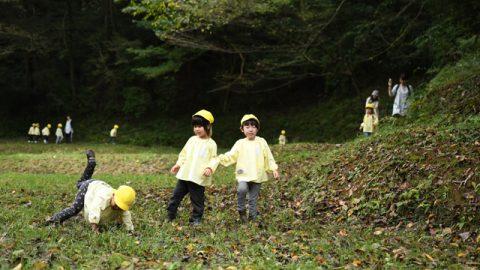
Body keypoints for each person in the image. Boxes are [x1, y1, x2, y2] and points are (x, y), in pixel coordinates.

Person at [45, 150, 136, 232]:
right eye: (116, 205)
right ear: (113, 195)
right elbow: (95, 208)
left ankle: (91, 162)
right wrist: (94, 226)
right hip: (89, 186)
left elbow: (126, 217)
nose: (117, 208)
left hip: (99, 185)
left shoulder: (122, 206)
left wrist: (130, 230)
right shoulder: (103, 197)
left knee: (80, 182)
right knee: (75, 208)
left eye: (120, 207)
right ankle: (54, 220)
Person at [215, 114, 280, 223]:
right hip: (243, 174)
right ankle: (241, 209)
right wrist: (219, 158)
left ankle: (252, 219)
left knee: (253, 199)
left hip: (257, 175)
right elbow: (231, 155)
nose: (250, 129)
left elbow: (268, 157)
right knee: (242, 189)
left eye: (253, 126)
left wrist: (274, 169)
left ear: (257, 129)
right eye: (247, 127)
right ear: (242, 129)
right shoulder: (240, 143)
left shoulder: (261, 142)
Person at [167, 110, 218, 225]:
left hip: (198, 178)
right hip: (185, 176)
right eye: (195, 126)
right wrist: (178, 164)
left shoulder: (211, 144)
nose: (197, 129)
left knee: (197, 201)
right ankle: (170, 215)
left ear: (208, 126)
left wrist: (210, 168)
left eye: (200, 126)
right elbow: (184, 154)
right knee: (175, 196)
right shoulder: (191, 140)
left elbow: (214, 159)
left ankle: (196, 219)